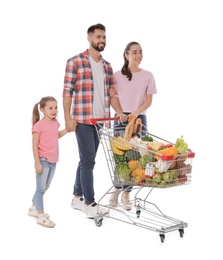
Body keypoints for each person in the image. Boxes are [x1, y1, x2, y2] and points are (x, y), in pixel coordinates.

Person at [62, 23, 127, 218]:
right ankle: (90, 203)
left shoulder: (107, 66)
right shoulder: (75, 62)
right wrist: (67, 118)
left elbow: (112, 94)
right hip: (82, 119)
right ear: (89, 38)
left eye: (104, 37)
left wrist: (120, 112)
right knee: (89, 160)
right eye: (98, 37)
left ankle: (76, 197)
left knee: (86, 160)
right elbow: (67, 92)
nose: (102, 41)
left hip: (100, 121)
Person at [109, 41, 157, 210]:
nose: (138, 55)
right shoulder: (115, 76)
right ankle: (116, 189)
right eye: (135, 52)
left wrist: (135, 113)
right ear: (126, 55)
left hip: (138, 120)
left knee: (134, 159)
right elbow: (112, 98)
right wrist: (121, 113)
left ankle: (126, 194)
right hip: (121, 119)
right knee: (119, 158)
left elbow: (149, 101)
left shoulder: (148, 76)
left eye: (141, 52)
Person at [28, 96, 67, 228]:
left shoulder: (55, 123)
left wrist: (67, 130)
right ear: (42, 110)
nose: (54, 110)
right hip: (43, 160)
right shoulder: (38, 126)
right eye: (50, 108)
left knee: (45, 187)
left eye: (56, 107)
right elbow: (34, 145)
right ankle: (41, 214)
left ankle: (33, 207)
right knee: (41, 188)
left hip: (53, 160)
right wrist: (37, 162)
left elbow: (56, 136)